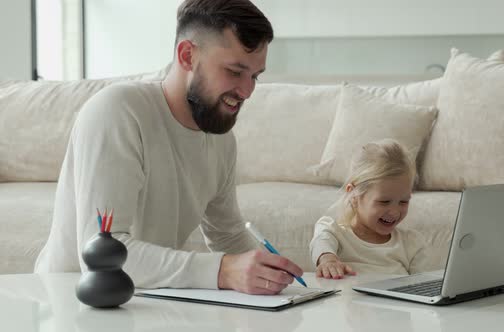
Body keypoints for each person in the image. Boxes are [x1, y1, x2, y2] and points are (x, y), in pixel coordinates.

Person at [35, 0, 304, 295]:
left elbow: (227, 236)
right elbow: (102, 258)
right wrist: (224, 270)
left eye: (254, 76)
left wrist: (274, 274)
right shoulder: (118, 111)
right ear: (187, 55)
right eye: (234, 71)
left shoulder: (220, 138)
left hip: (150, 301)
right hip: (73, 303)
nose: (247, 91)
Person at [309, 139, 430, 279]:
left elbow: (422, 286)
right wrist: (328, 260)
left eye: (403, 201)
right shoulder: (335, 232)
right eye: (384, 202)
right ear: (354, 196)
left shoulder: (411, 244)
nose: (395, 212)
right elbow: (321, 242)